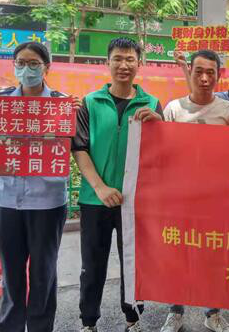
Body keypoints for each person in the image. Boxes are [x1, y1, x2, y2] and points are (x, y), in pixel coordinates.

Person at [0, 41, 79, 332]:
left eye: (33, 64)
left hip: (47, 202)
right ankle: (11, 327)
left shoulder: (63, 102)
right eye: (20, 63)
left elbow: (74, 147)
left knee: (44, 272)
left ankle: (41, 327)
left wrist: (77, 116)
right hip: (4, 200)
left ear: (46, 68)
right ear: (13, 66)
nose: (26, 69)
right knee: (11, 273)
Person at [72, 37, 164, 332]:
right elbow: (79, 148)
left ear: (139, 64)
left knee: (133, 265)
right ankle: (88, 322)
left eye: (130, 59)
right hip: (95, 199)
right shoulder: (90, 102)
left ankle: (133, 319)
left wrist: (159, 124)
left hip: (135, 203)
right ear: (107, 62)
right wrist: (99, 187)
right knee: (92, 266)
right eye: (118, 59)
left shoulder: (152, 104)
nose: (124, 65)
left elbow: (162, 153)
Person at [160, 49, 229, 332]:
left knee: (212, 259)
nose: (205, 78)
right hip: (180, 200)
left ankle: (212, 313)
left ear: (218, 75)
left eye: (210, 73)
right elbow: (162, 154)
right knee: (178, 257)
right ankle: (175, 312)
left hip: (215, 202)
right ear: (190, 72)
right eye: (199, 72)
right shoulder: (173, 109)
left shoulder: (228, 111)